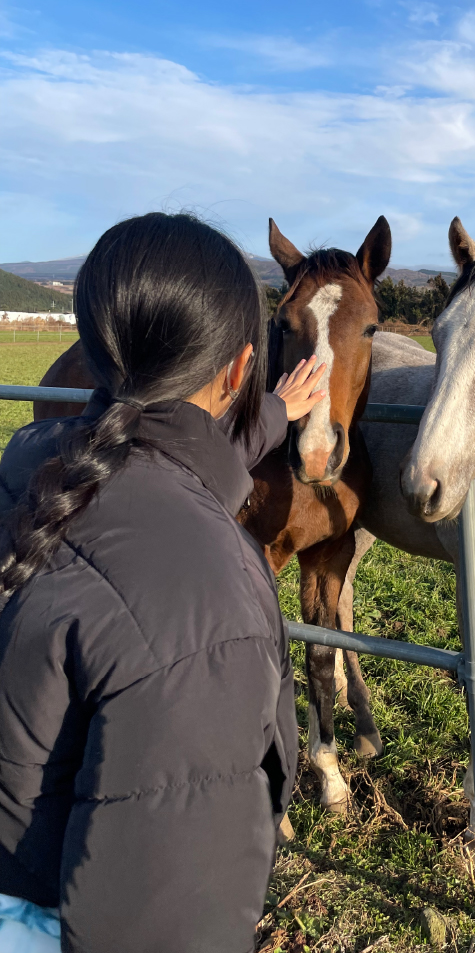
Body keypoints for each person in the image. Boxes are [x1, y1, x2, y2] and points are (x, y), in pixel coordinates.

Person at [0, 213, 326, 953]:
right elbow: (167, 913)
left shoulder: (29, 471)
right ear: (242, 368)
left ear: (93, 349)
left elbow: (160, 448)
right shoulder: (210, 603)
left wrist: (275, 413)